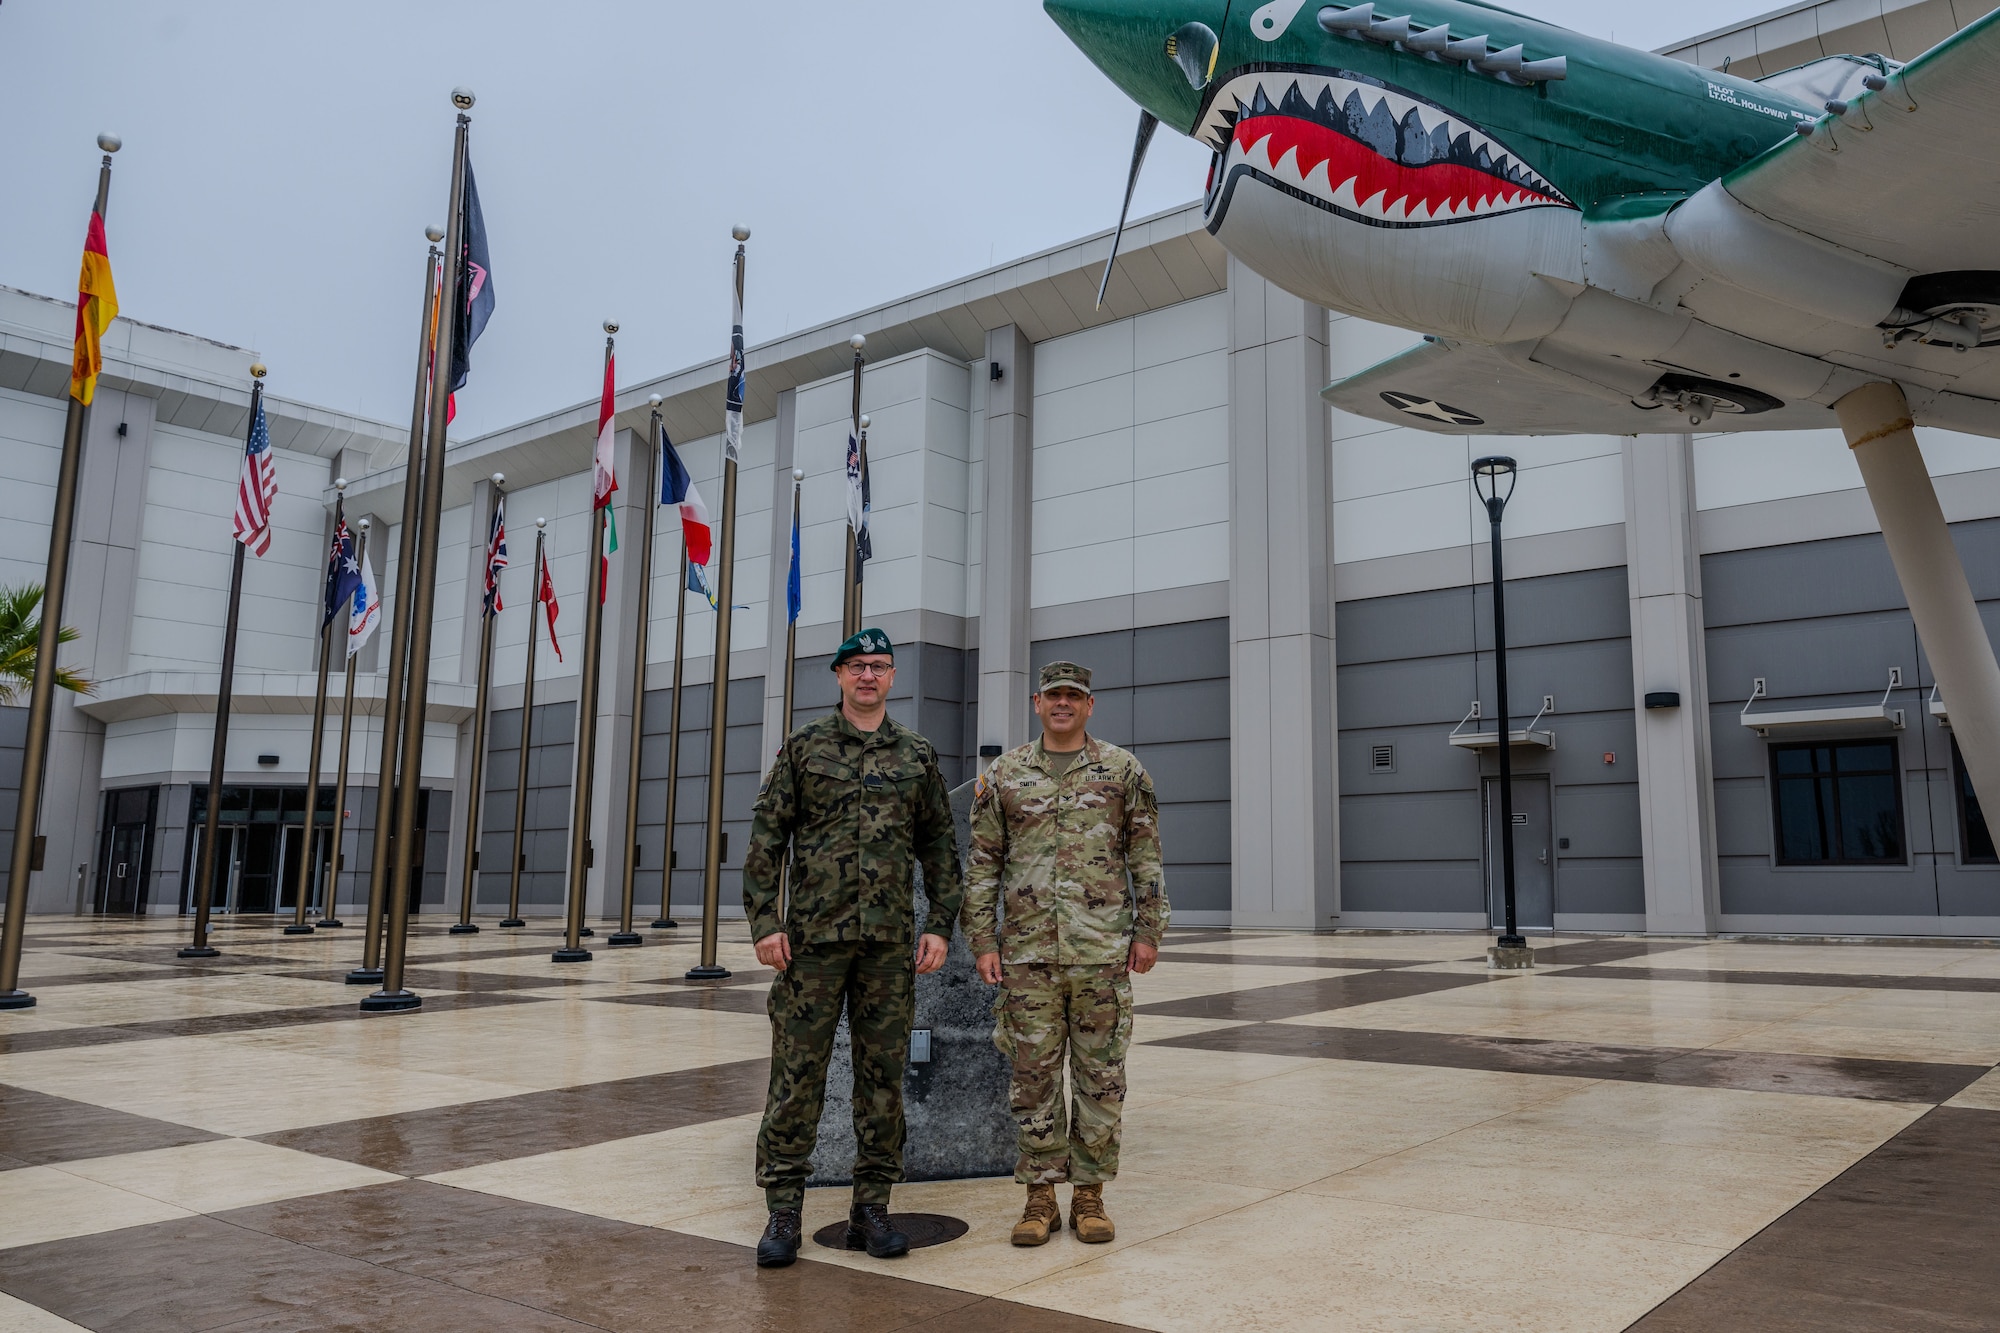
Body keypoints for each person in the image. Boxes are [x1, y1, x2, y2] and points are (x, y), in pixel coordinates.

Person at [741, 627, 962, 1269]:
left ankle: (872, 1207)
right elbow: (765, 840)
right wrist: (766, 922)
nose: (869, 676)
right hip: (809, 946)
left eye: (881, 666)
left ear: (893, 678)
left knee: (882, 1081)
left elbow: (938, 848)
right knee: (796, 1076)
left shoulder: (915, 755)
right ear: (839, 675)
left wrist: (939, 923)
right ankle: (784, 1208)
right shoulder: (804, 750)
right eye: (858, 666)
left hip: (889, 947)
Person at [964, 660, 1168, 1248]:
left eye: (1072, 697)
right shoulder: (1004, 773)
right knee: (1032, 1080)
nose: (1062, 704)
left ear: (1088, 705)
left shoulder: (1121, 770)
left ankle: (1089, 1196)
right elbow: (983, 865)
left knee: (1100, 1079)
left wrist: (1148, 931)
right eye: (1053, 695)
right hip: (1026, 955)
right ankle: (1040, 1198)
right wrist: (982, 940)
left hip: (1101, 952)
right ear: (1036, 703)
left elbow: (1145, 858)